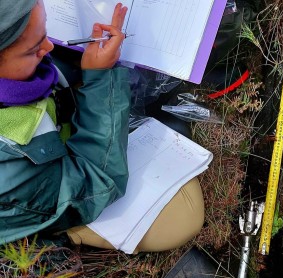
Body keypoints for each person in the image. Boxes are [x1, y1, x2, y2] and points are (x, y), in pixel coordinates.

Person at [0, 0, 204, 253]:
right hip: (45, 195)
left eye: (45, 32)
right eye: (33, 49)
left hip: (47, 157)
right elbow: (96, 184)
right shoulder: (7, 173)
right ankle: (60, 238)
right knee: (182, 215)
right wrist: (100, 79)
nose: (49, 46)